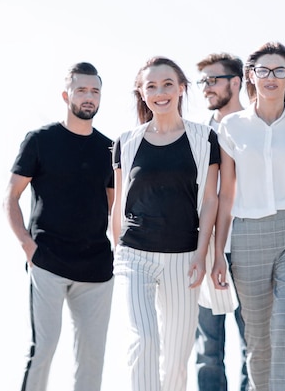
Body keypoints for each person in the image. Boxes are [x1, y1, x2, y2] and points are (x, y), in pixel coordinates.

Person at [212, 41, 285, 391]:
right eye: (263, 70)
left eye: (280, 70)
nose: (271, 77)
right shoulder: (232, 127)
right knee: (258, 339)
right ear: (251, 76)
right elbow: (226, 194)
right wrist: (219, 252)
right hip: (248, 237)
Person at [3, 62, 115, 391]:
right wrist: (27, 244)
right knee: (44, 348)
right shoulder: (40, 140)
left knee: (92, 358)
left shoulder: (109, 148)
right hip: (47, 262)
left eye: (95, 91)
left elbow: (113, 206)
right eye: (82, 90)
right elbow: (11, 197)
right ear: (67, 95)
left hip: (96, 270)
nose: (89, 97)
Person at [111, 56, 220, 391]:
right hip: (135, 257)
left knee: (176, 358)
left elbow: (211, 201)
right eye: (152, 86)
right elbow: (118, 203)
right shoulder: (126, 141)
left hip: (183, 258)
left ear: (182, 88)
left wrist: (202, 256)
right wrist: (117, 249)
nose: (160, 92)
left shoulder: (204, 139)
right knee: (143, 340)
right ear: (141, 94)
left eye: (168, 84)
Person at [194, 52, 248, 391]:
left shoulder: (255, 129)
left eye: (213, 80)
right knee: (208, 350)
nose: (206, 88)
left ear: (236, 82)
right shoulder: (198, 134)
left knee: (254, 345)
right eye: (203, 81)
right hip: (204, 248)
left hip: (247, 248)